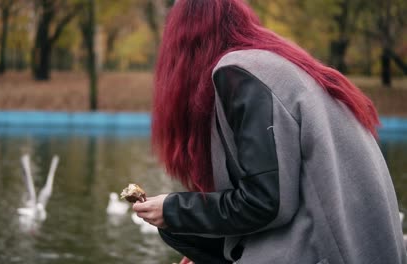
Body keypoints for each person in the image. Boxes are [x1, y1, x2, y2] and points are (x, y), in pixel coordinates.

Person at [132, 0, 407, 263]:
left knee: (175, 222)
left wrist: (173, 208)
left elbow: (266, 203)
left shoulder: (238, 72)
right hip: (357, 246)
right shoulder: (275, 65)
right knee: (178, 229)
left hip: (332, 252)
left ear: (183, 41)